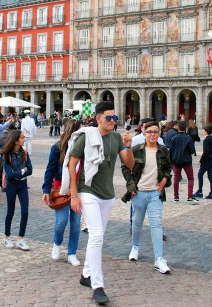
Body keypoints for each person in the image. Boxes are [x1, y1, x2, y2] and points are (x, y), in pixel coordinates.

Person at [67, 101, 134, 305]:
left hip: (107, 194)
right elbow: (72, 163)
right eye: (109, 118)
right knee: (96, 236)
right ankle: (97, 286)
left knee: (98, 235)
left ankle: (86, 274)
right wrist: (73, 194)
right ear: (98, 118)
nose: (113, 121)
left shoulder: (116, 137)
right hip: (87, 191)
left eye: (115, 118)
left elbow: (129, 164)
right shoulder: (87, 136)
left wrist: (129, 147)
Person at [122, 121, 172, 274]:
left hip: (155, 193)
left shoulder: (163, 150)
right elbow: (125, 167)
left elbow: (168, 168)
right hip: (139, 192)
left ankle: (159, 258)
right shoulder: (136, 150)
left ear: (159, 134)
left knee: (156, 224)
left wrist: (164, 180)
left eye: (155, 132)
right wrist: (131, 186)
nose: (152, 134)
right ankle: (135, 248)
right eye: (149, 131)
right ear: (144, 133)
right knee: (137, 222)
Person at [42, 120, 83, 266]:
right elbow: (50, 169)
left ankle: (72, 252)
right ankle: (57, 243)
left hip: (79, 188)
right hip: (61, 187)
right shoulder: (58, 147)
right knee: (61, 221)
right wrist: (46, 189)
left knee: (76, 223)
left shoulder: (84, 147)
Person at [1, 130, 33, 251]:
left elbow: (30, 170)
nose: (24, 139)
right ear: (16, 141)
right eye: (22, 138)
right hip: (12, 185)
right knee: (11, 211)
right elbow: (9, 174)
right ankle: (7, 237)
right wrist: (21, 172)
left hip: (23, 185)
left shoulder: (24, 152)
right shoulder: (7, 154)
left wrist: (19, 173)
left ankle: (20, 239)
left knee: (25, 211)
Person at [168, 121, 195, 203]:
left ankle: (176, 197)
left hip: (176, 160)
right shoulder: (188, 138)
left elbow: (171, 150)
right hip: (186, 160)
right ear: (185, 128)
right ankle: (190, 197)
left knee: (176, 178)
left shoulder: (174, 137)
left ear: (178, 128)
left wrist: (171, 160)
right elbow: (192, 150)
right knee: (190, 178)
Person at [194, 125, 212, 200]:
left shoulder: (206, 140)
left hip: (207, 160)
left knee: (200, 174)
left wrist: (201, 160)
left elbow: (205, 152)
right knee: (210, 176)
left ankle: (200, 191)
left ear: (206, 131)